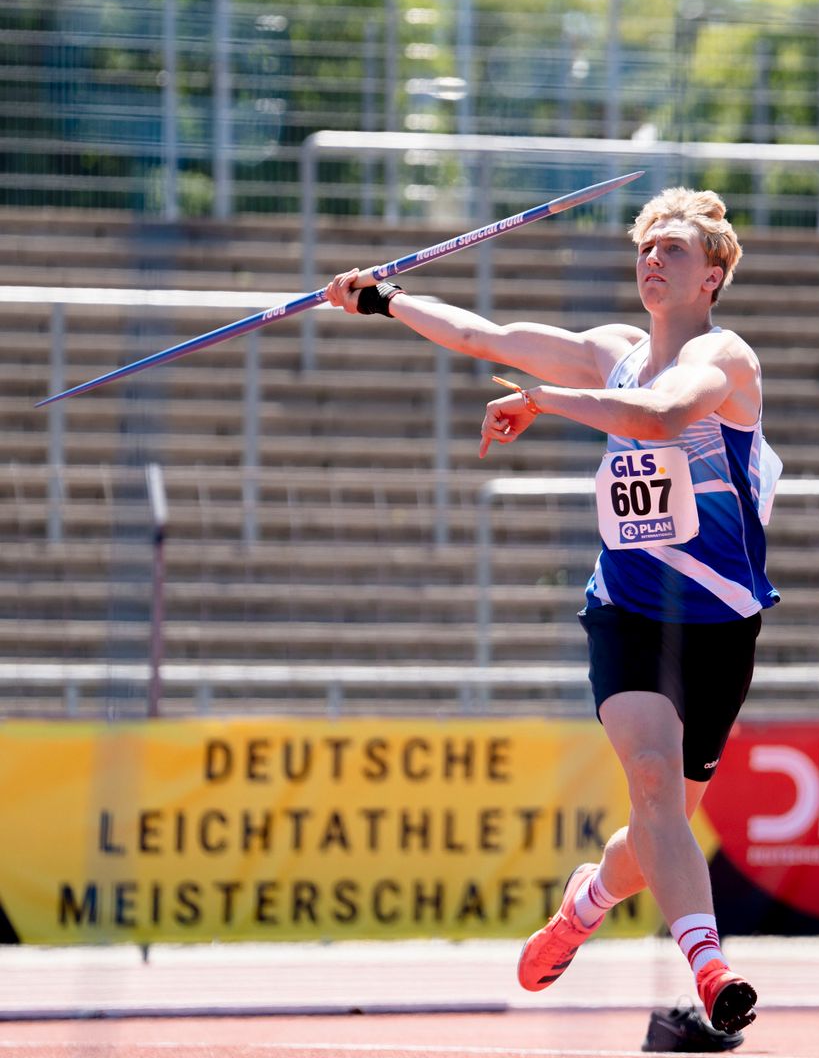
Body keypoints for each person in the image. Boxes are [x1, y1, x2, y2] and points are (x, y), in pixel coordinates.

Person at [323, 187, 778, 1043]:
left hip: (719, 620)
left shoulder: (727, 360)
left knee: (655, 834)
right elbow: (483, 337)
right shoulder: (613, 350)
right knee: (650, 777)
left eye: (673, 251)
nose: (652, 261)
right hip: (631, 607)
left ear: (713, 275)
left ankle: (586, 902)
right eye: (645, 249)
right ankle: (711, 966)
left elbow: (663, 416)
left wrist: (543, 401)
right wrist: (384, 299)